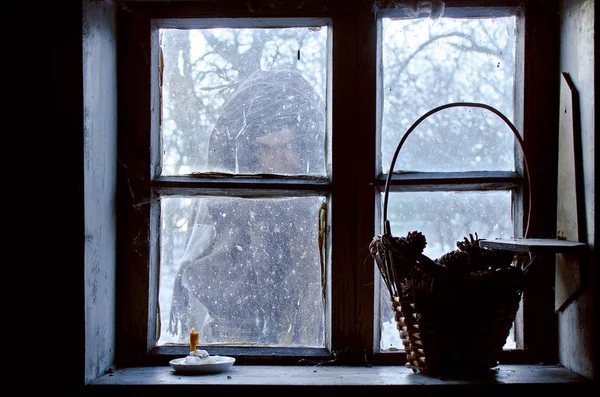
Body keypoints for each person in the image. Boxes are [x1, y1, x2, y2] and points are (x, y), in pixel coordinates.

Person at [167, 69, 326, 346]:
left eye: (288, 146)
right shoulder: (227, 212)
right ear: (248, 153)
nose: (277, 161)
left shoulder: (321, 212)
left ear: (306, 147)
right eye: (264, 149)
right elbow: (203, 283)